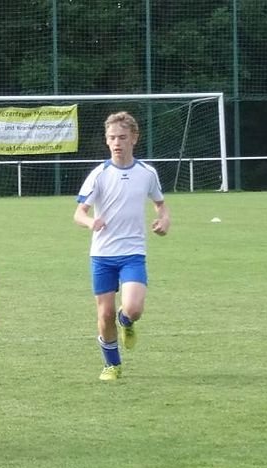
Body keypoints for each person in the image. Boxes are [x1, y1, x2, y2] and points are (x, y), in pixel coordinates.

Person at [74, 111, 170, 382]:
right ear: (107, 140)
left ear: (134, 138)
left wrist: (164, 220)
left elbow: (160, 204)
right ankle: (112, 365)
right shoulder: (99, 174)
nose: (117, 142)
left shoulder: (147, 173)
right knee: (105, 314)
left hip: (133, 253)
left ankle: (126, 321)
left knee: (134, 308)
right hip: (102, 255)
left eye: (122, 137)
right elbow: (79, 213)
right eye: (112, 137)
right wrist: (90, 222)